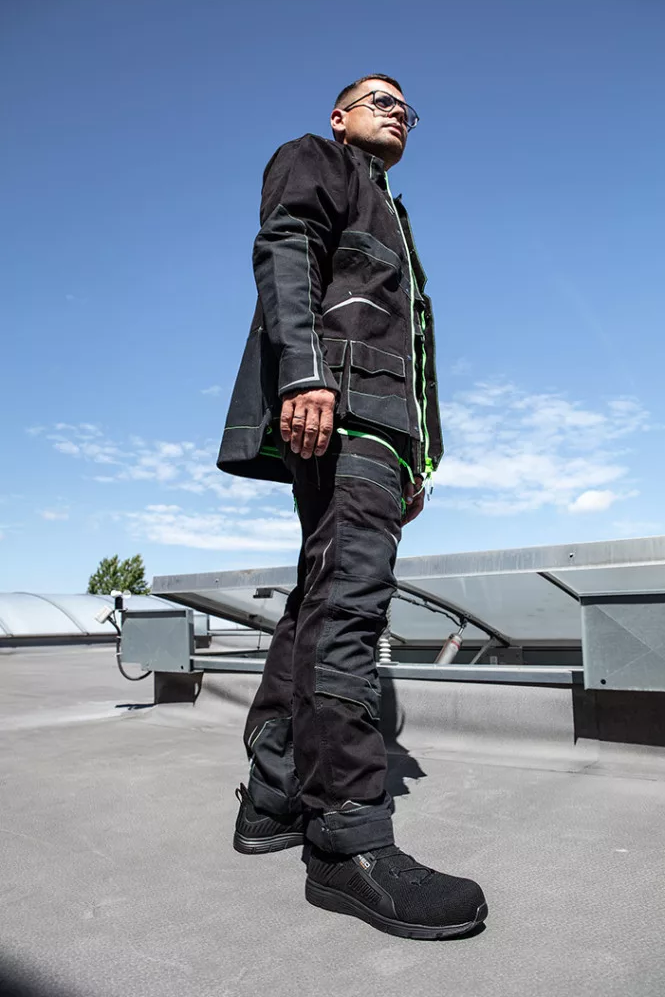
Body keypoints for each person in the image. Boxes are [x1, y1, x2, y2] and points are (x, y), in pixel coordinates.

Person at [216, 75, 488, 939]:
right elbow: (285, 253)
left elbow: (405, 348)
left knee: (319, 598)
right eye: (378, 99)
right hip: (343, 408)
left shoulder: (390, 212)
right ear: (339, 118)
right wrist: (303, 373)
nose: (396, 110)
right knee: (350, 606)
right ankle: (346, 838)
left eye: (406, 106)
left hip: (377, 428)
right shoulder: (315, 160)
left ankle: (271, 798)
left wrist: (416, 458)